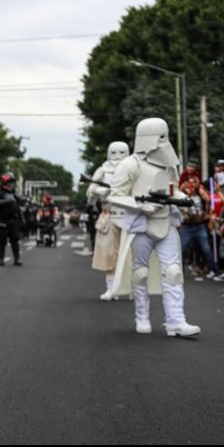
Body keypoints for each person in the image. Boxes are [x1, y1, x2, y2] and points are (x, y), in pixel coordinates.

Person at [109, 118, 200, 337]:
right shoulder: (131, 164)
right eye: (160, 136)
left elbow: (173, 189)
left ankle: (176, 322)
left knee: (173, 271)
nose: (163, 141)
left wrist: (184, 198)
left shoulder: (169, 163)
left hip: (165, 221)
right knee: (140, 273)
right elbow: (116, 196)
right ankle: (142, 316)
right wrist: (141, 205)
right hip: (141, 224)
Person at [87, 141, 130, 300]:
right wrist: (101, 191)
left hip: (129, 214)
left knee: (130, 254)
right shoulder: (102, 170)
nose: (117, 156)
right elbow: (90, 193)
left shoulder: (133, 168)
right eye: (114, 152)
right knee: (109, 254)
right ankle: (111, 288)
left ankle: (131, 288)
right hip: (109, 214)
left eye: (121, 152)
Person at [0, 172, 24, 266]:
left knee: (15, 240)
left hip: (13, 220)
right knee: (1, 241)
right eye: (10, 182)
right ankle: (1, 259)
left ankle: (17, 259)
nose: (11, 185)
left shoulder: (13, 194)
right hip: (2, 220)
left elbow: (21, 202)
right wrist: (5, 201)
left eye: (12, 183)